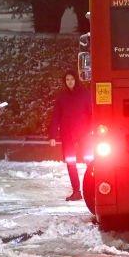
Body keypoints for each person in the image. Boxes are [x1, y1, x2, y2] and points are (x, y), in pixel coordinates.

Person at [49, 71, 92, 201]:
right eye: (67, 79)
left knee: (90, 161)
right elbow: (56, 116)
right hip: (67, 133)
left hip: (84, 133)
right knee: (70, 162)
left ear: (76, 80)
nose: (70, 82)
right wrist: (52, 135)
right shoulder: (62, 97)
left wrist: (92, 129)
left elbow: (92, 112)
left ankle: (94, 187)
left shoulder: (85, 94)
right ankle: (76, 192)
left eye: (72, 79)